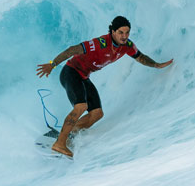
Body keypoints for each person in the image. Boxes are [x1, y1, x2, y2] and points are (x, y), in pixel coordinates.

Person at [36, 16, 173, 157]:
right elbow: (72, 50)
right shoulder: (99, 43)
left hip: (84, 77)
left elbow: (140, 57)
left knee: (97, 114)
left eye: (127, 33)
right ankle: (59, 144)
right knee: (81, 106)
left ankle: (70, 133)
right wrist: (52, 64)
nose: (124, 36)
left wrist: (156, 65)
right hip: (70, 72)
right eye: (121, 32)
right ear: (113, 31)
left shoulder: (127, 46)